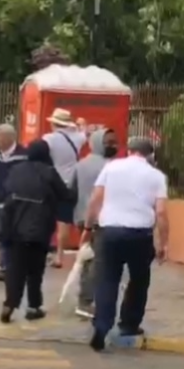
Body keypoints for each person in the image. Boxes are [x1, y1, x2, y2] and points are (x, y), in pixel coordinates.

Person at [84, 136, 168, 352]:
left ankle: (102, 325)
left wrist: (87, 227)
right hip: (140, 235)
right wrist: (162, 243)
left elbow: (96, 199)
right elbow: (161, 212)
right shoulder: (156, 176)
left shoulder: (111, 168)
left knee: (107, 280)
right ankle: (129, 324)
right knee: (139, 280)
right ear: (150, 155)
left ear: (129, 151)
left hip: (109, 231)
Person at [0, 140, 72, 323]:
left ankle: (10, 303)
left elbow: (5, 191)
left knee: (15, 268)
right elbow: (66, 195)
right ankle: (33, 306)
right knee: (35, 269)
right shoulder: (49, 172)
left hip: (14, 227)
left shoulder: (16, 170)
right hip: (40, 228)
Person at [73, 127, 119, 318]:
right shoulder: (110, 167)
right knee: (97, 263)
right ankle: (86, 302)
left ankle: (85, 299)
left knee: (87, 259)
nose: (113, 146)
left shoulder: (80, 164)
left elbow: (71, 189)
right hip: (100, 220)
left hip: (82, 217)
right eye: (109, 142)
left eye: (114, 142)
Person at [44, 108, 88, 268]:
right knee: (64, 222)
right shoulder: (77, 138)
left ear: (54, 123)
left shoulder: (48, 139)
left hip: (53, 182)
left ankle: (46, 252)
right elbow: (84, 128)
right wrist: (79, 124)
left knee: (48, 220)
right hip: (71, 183)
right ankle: (60, 256)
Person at [0, 123, 26, 281]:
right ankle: (3, 267)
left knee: (16, 236)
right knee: (0, 235)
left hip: (15, 203)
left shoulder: (23, 155)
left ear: (9, 138)